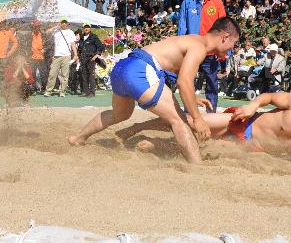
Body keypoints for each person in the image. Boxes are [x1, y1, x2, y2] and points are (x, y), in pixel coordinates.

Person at [68, 16, 241, 163]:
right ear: (225, 37)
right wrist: (197, 119)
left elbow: (175, 70)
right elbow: (184, 83)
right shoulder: (200, 46)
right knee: (179, 121)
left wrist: (192, 99)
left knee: (119, 114)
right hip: (140, 70)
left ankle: (78, 138)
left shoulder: (192, 39)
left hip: (124, 67)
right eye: (233, 44)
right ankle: (197, 166)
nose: (231, 50)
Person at [116, 93, 291, 158]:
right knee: (190, 123)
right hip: (245, 124)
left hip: (249, 149)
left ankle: (156, 144)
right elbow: (268, 97)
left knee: (200, 149)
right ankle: (135, 128)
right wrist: (252, 106)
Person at [177, 0, 227, 112]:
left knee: (212, 84)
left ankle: (211, 115)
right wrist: (180, 49)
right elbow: (182, 27)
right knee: (188, 83)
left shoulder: (217, 2)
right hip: (191, 51)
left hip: (210, 51)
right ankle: (189, 114)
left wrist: (221, 49)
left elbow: (223, 27)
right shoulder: (187, 3)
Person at [43, 18, 77, 97]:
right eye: (62, 22)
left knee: (65, 75)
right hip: (56, 56)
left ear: (67, 23)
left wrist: (75, 55)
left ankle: (62, 91)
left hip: (67, 56)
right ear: (60, 23)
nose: (64, 24)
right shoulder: (56, 31)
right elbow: (46, 32)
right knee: (52, 74)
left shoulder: (70, 32)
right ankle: (48, 90)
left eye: (65, 22)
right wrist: (56, 27)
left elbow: (73, 44)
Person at [77, 23, 104, 97]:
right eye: (85, 27)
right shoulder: (82, 37)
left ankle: (92, 92)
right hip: (83, 59)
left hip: (91, 59)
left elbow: (101, 47)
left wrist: (96, 55)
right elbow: (80, 48)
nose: (86, 29)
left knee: (91, 76)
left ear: (90, 28)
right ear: (83, 28)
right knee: (83, 75)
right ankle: (85, 92)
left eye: (88, 27)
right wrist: (78, 56)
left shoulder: (94, 36)